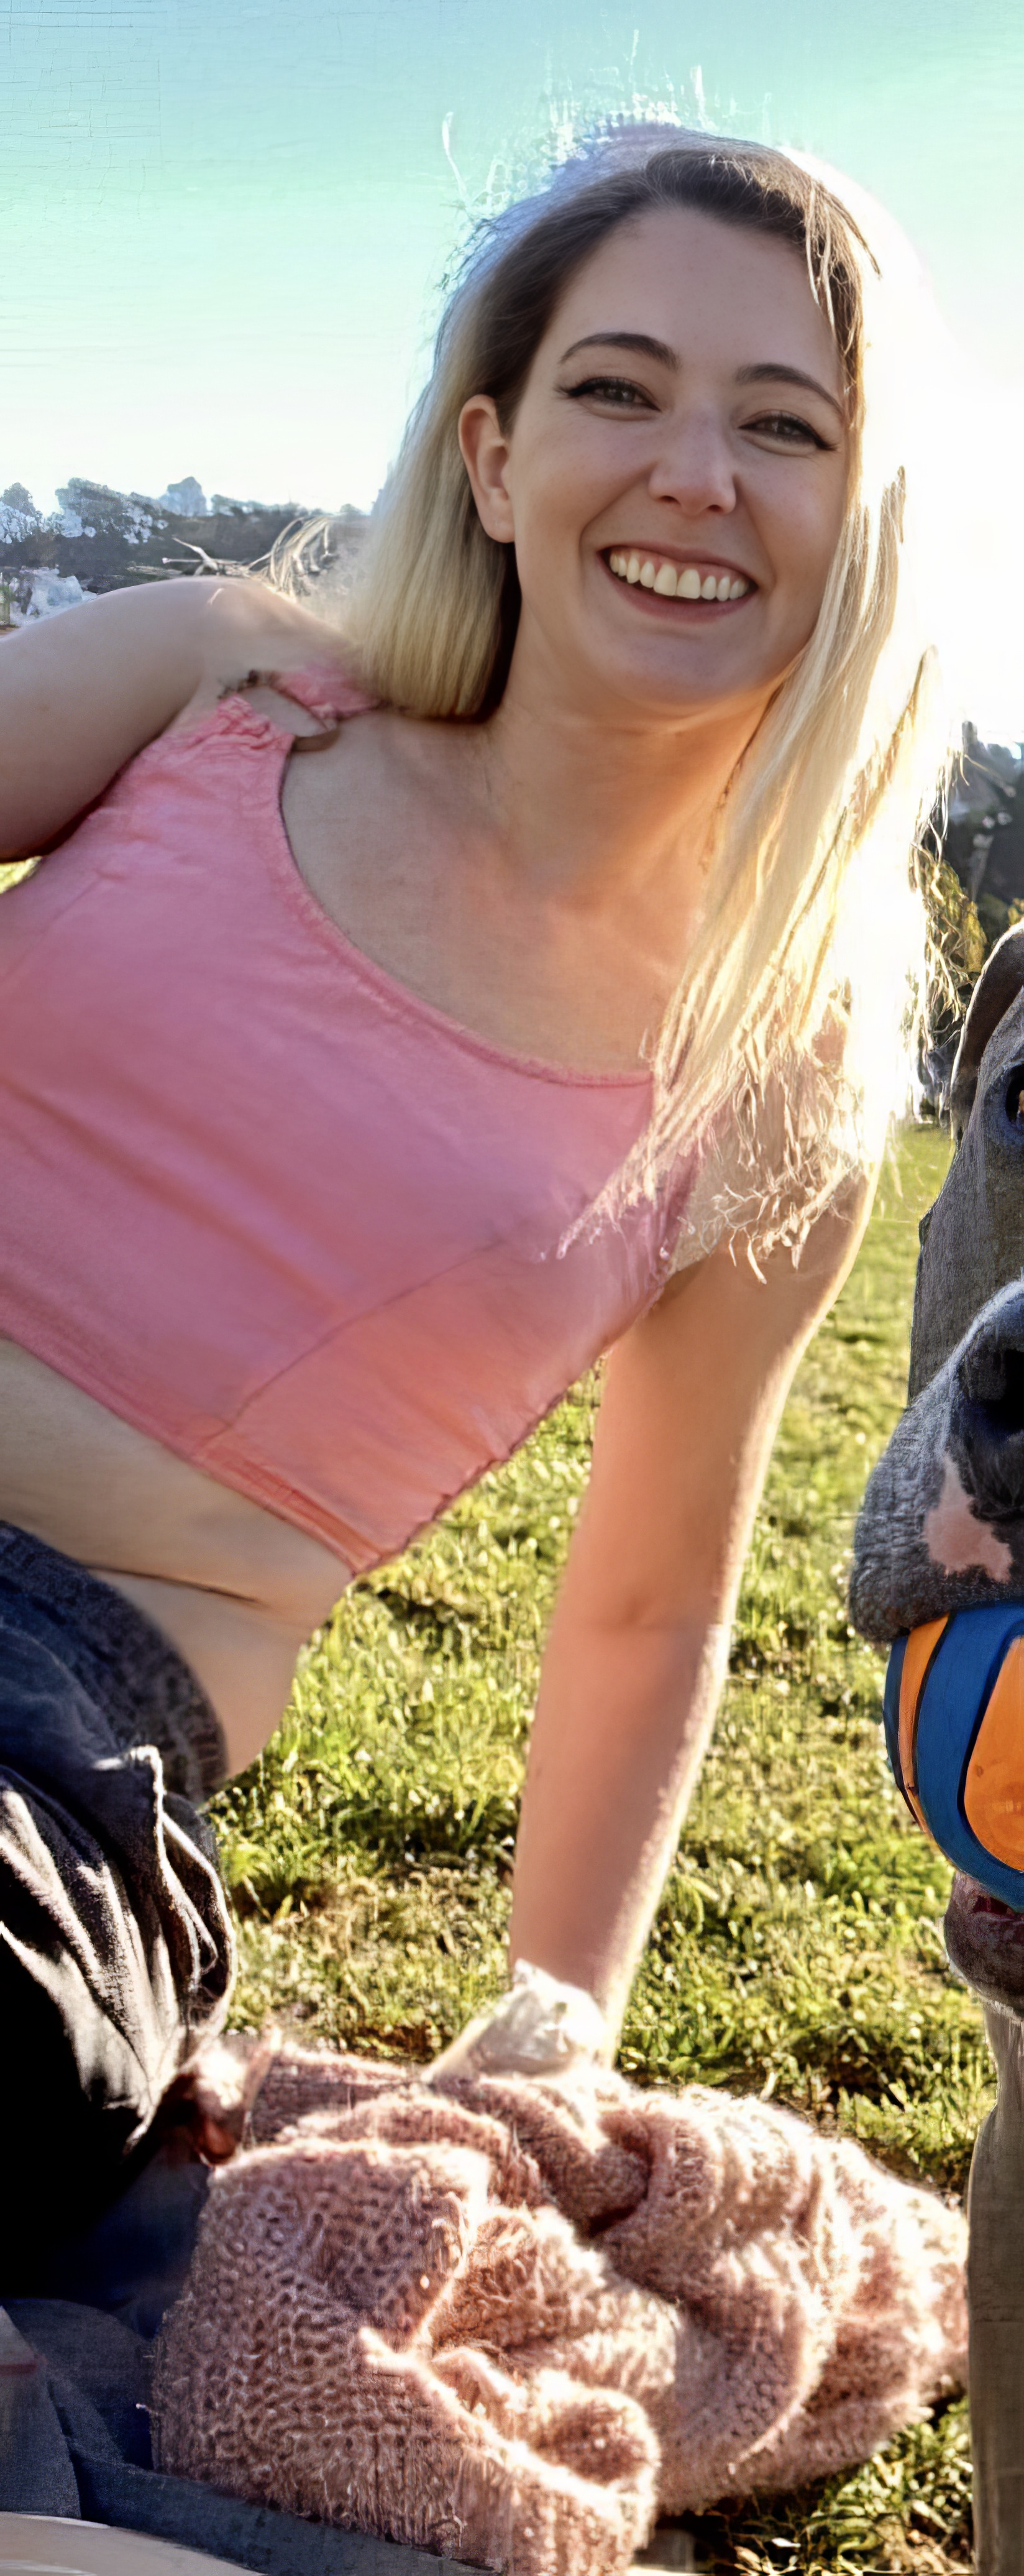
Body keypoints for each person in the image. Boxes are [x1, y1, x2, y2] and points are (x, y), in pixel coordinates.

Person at [0, 126, 949, 2272]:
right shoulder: (213, 689)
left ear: (859, 527)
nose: (695, 470)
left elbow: (646, 1597)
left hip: (46, 1738)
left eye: (783, 425)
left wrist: (558, 2019)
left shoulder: (778, 1074)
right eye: (621, 389)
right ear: (496, 455)